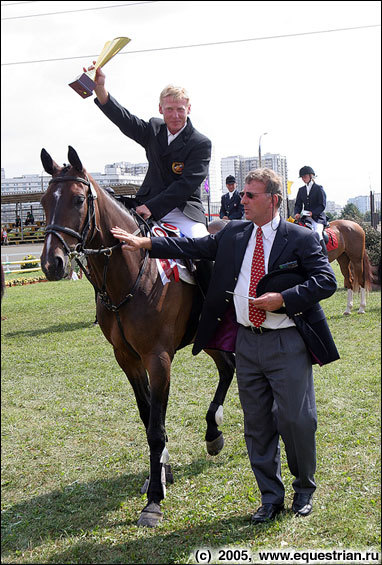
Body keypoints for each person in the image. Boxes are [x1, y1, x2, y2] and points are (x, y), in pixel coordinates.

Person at [110, 168, 339, 524]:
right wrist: (146, 244)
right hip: (247, 342)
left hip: (287, 340)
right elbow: (192, 245)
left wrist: (284, 298)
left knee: (296, 419)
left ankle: (304, 489)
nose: (242, 200)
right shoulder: (233, 233)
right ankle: (270, 496)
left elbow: (325, 281)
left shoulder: (300, 238)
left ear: (273, 200)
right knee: (257, 424)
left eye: (251, 195)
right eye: (243, 194)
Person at [88, 64, 210, 239]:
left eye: (180, 110)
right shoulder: (153, 129)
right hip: (144, 205)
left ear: (188, 109)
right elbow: (126, 121)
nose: (175, 115)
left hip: (183, 211)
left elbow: (185, 185)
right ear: (161, 109)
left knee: (203, 246)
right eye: (169, 109)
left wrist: (152, 207)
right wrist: (100, 89)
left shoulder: (200, 143)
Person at [294, 166, 328, 254]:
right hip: (305, 217)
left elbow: (322, 205)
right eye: (302, 177)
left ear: (311, 176)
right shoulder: (301, 190)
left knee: (317, 233)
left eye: (304, 176)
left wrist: (313, 213)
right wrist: (297, 213)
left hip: (317, 218)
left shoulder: (318, 188)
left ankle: (324, 255)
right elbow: (298, 204)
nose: (303, 178)